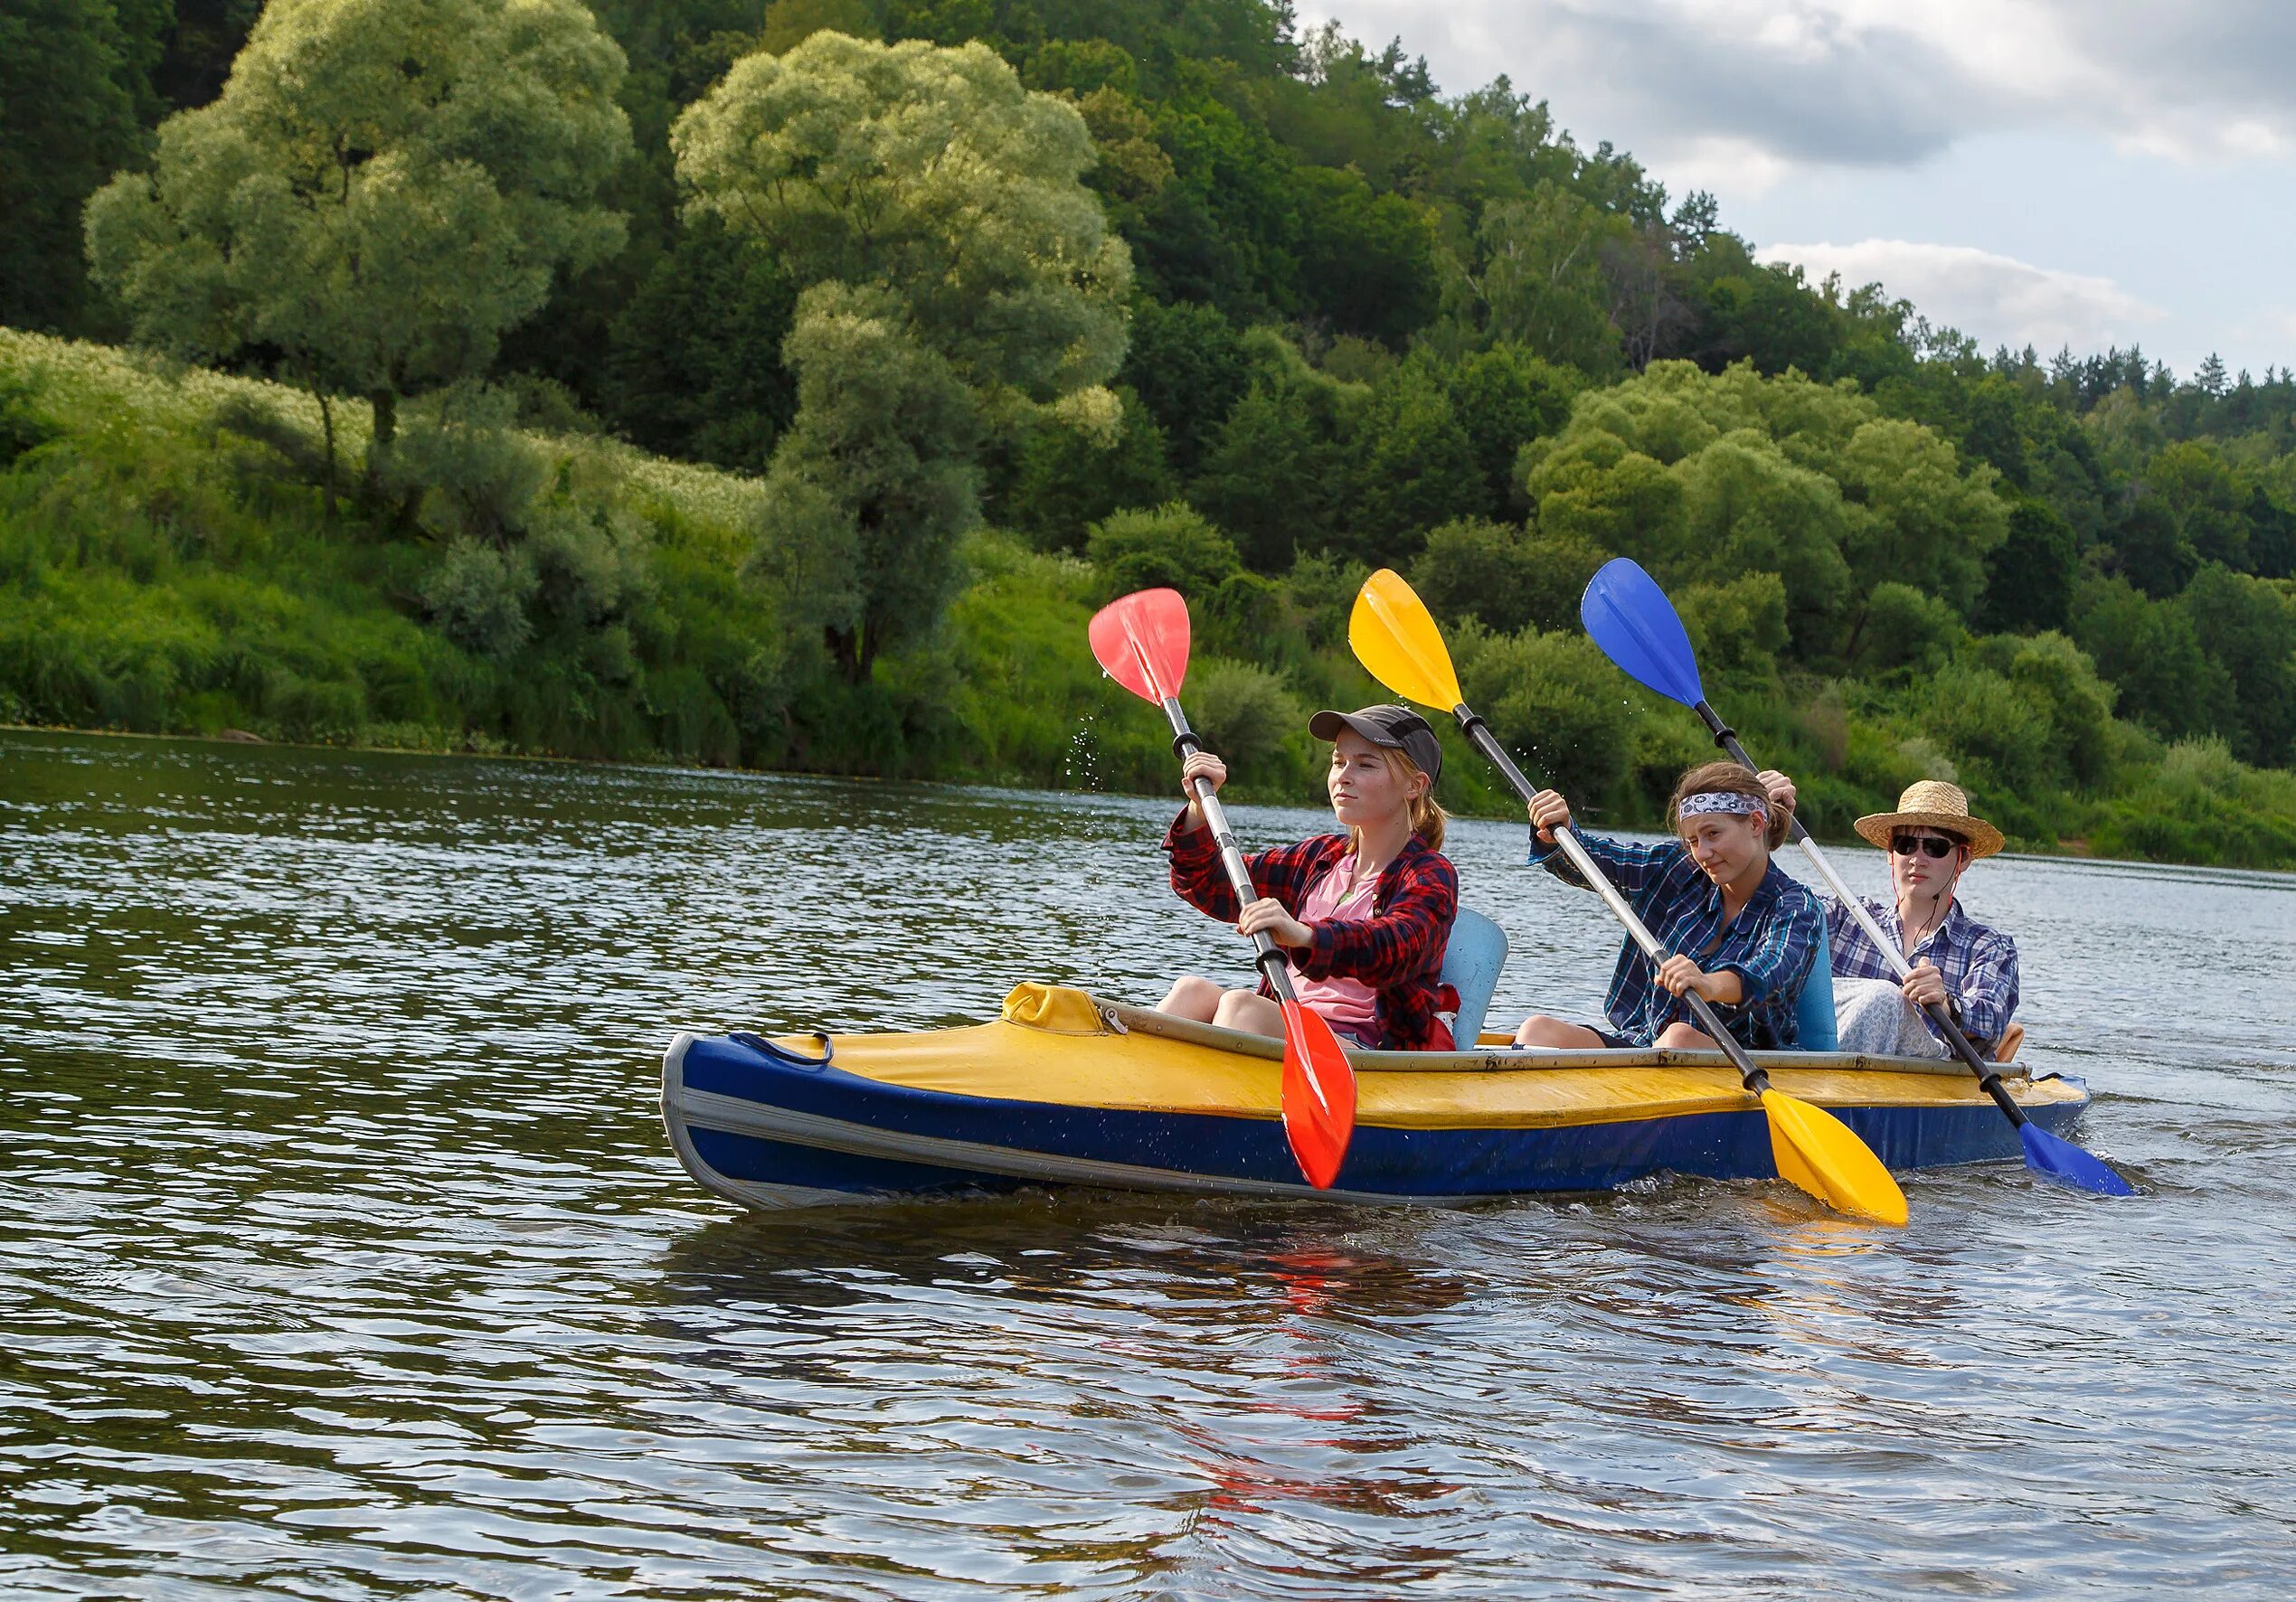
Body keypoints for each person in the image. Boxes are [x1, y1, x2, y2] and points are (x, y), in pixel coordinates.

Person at [1158, 705, 1460, 1051]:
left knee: (1242, 1008)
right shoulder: (1318, 859)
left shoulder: (1429, 873)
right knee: (1191, 991)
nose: (1344, 776)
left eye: (1365, 764)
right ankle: (1127, 1096)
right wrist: (1199, 808)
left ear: (1413, 785)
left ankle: (1209, 1104)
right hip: (1292, 1028)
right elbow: (1210, 885)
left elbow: (1394, 947)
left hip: (1367, 1052)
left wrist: (1307, 936)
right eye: (1338, 761)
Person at [1512, 761, 1822, 1052]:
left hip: (1745, 1063)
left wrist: (1708, 983)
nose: (1703, 853)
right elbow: (1595, 860)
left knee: (1679, 1037)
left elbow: (1768, 973)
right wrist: (1560, 832)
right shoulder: (1677, 866)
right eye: (1692, 841)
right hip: (1646, 1046)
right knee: (1537, 1031)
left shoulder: (1796, 905)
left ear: (1756, 823)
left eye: (1713, 834)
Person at [1757, 773, 2020, 1060]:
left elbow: (1991, 1021)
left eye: (1935, 847)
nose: (1918, 859)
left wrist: (1947, 1004)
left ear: (1963, 858)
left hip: (1928, 1082)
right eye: (1906, 845)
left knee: (1885, 998)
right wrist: (1762, 829)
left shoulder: (1989, 946)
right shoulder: (1843, 917)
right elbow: (1762, 906)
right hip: (1824, 1071)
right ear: (1890, 854)